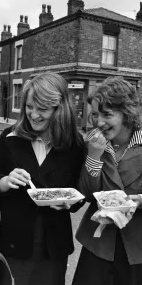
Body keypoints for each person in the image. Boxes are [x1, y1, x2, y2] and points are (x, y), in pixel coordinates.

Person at [0, 72, 85, 285]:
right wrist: (4, 182)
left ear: (60, 109)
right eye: (29, 107)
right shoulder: (9, 138)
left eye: (42, 109)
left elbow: (79, 193)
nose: (33, 115)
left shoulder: (75, 145)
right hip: (13, 241)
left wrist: (69, 203)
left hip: (53, 246)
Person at [72, 76, 142, 285]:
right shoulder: (93, 143)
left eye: (107, 114)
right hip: (98, 244)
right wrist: (94, 155)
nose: (99, 122)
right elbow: (86, 194)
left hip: (137, 245)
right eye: (94, 114)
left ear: (127, 114)